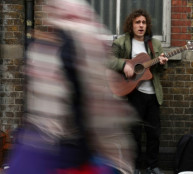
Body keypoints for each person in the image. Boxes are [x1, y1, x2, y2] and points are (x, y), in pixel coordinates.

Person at [5, 0, 137, 174]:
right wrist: (121, 162)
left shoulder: (41, 46)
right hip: (65, 153)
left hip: (33, 147)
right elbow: (101, 111)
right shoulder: (83, 35)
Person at [107, 9, 168, 174]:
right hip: (133, 93)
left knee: (154, 133)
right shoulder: (122, 42)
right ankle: (133, 167)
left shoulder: (154, 44)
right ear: (131, 25)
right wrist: (124, 65)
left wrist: (162, 63)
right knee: (134, 133)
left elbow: (161, 71)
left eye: (143, 22)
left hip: (153, 94)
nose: (141, 26)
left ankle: (152, 166)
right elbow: (109, 60)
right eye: (137, 22)